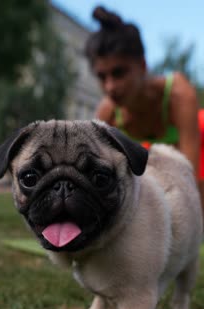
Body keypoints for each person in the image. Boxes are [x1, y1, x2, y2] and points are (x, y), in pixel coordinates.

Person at [85, 6, 202, 186]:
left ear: (142, 65)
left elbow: (191, 182)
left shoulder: (179, 95)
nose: (110, 87)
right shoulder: (107, 114)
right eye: (102, 77)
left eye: (119, 73)